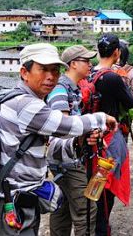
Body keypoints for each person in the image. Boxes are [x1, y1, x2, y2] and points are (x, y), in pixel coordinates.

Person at [0, 43, 116, 236]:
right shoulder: (25, 104)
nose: (51, 76)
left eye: (54, 70)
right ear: (24, 72)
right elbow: (67, 126)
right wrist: (102, 118)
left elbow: (49, 149)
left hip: (23, 202)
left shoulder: (35, 101)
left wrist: (78, 143)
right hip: (10, 205)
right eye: (43, 69)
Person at [46, 45, 99, 236]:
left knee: (62, 206)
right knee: (86, 209)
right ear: (73, 64)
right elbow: (63, 127)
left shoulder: (73, 89)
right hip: (65, 158)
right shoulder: (60, 90)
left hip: (65, 158)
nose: (90, 64)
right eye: (86, 61)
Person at [92, 33, 133, 236]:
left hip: (90, 137)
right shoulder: (112, 77)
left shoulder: (89, 73)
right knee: (107, 184)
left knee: (95, 180)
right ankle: (101, 227)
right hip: (109, 139)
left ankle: (94, 223)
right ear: (117, 53)